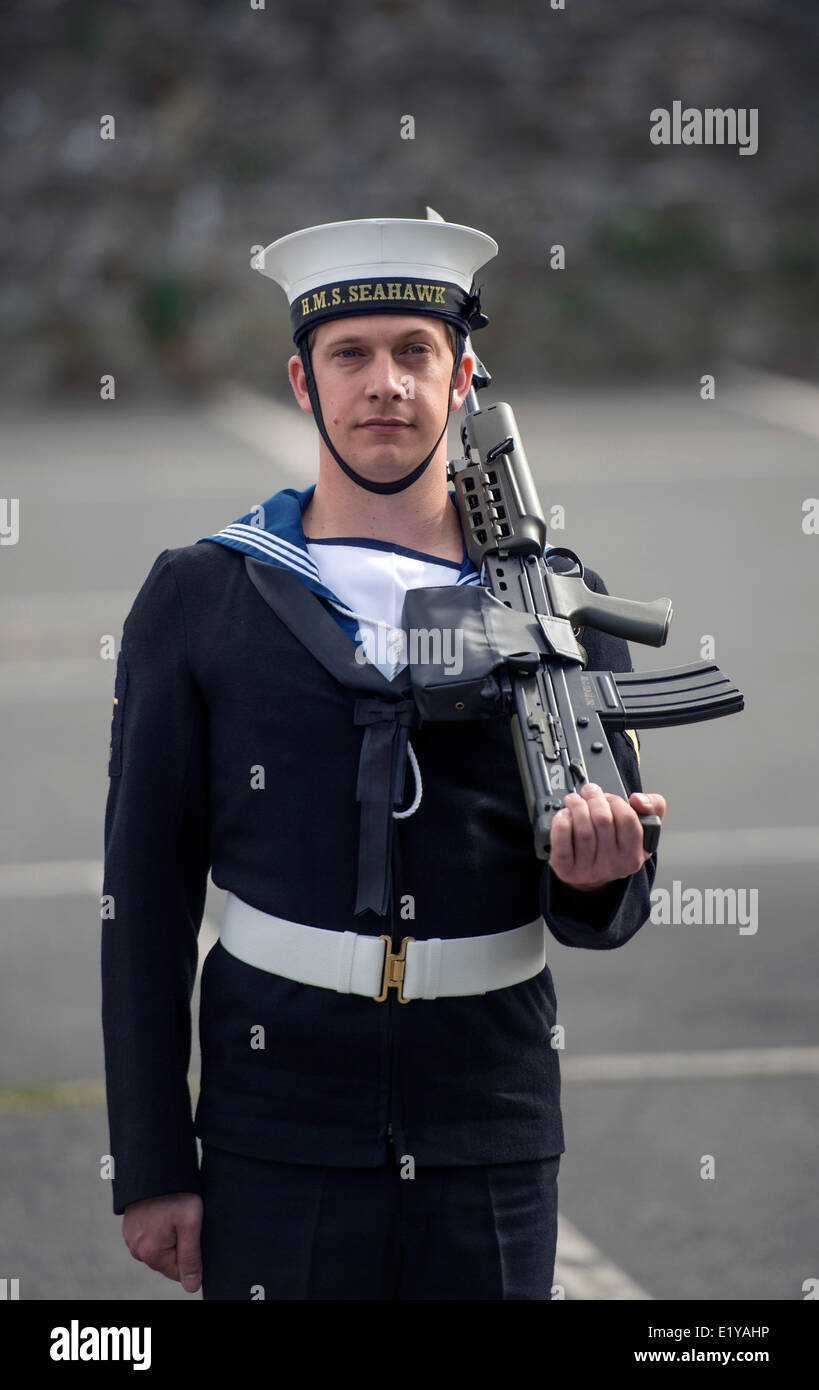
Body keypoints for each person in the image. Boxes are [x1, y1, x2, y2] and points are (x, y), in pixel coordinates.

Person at [101, 213, 665, 1301]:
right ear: (304, 384)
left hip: (488, 1124)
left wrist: (598, 878)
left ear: (462, 378)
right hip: (278, 1124)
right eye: (350, 355)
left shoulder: (553, 594)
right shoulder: (204, 593)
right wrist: (154, 1164)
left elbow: (616, 887)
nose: (385, 385)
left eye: (416, 351)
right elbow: (144, 893)